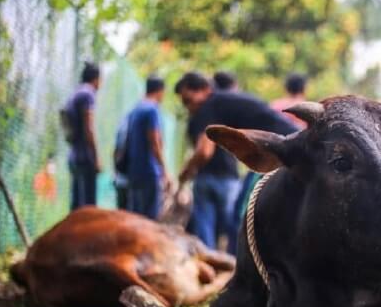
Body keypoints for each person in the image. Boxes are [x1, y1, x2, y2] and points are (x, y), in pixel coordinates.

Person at [175, 72, 297, 253]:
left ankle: (237, 264)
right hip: (286, 146)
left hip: (280, 151)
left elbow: (204, 151)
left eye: (188, 100)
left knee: (242, 215)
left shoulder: (208, 106)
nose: (188, 107)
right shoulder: (222, 101)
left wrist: (185, 173)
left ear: (204, 89)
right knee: (239, 216)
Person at [122, 76, 171, 220]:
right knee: (150, 219)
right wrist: (164, 171)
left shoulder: (135, 109)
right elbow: (155, 143)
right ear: (160, 91)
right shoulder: (152, 110)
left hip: (133, 171)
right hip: (149, 171)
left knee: (135, 216)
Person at [61, 62, 101, 210]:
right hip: (85, 158)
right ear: (96, 79)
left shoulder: (75, 93)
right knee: (89, 209)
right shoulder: (88, 93)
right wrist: (96, 157)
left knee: (76, 206)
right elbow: (89, 128)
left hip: (74, 157)